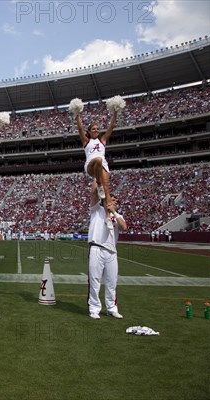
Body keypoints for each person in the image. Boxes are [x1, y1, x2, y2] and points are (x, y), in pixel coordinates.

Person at [87, 181, 127, 320]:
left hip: (111, 251)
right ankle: (94, 308)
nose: (115, 202)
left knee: (111, 282)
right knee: (94, 280)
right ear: (107, 199)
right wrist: (98, 177)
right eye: (113, 200)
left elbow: (124, 227)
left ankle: (112, 308)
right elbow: (93, 193)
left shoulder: (118, 215)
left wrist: (114, 212)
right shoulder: (96, 210)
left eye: (116, 201)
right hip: (97, 247)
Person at [75, 108, 118, 229]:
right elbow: (79, 128)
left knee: (107, 191)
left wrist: (115, 111)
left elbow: (112, 126)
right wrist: (77, 114)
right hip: (91, 165)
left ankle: (108, 218)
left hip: (103, 166)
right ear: (89, 131)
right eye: (93, 129)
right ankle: (98, 183)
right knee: (98, 160)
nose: (96, 130)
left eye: (98, 129)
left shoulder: (103, 140)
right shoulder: (86, 141)